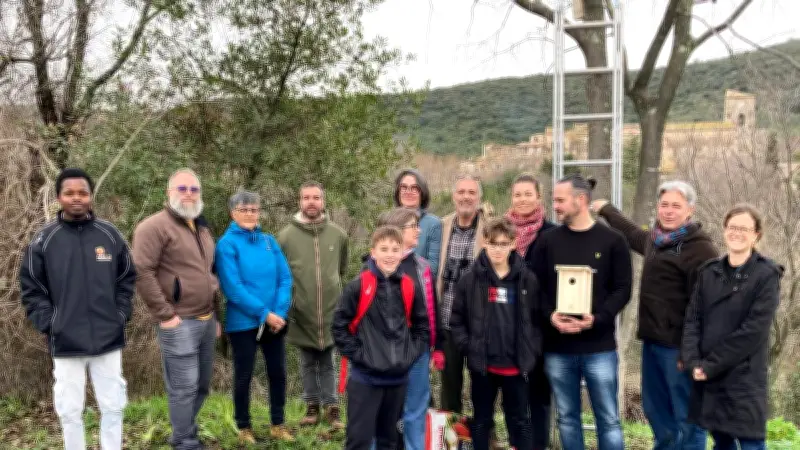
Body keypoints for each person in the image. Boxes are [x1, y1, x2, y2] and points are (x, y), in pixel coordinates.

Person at [592, 180, 718, 450]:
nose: (669, 211)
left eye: (676, 206)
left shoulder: (700, 249)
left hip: (680, 349)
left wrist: (691, 351)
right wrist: (606, 209)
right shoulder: (657, 240)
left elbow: (707, 305)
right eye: (664, 205)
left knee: (687, 417)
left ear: (690, 211)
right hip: (652, 343)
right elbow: (632, 233)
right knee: (657, 412)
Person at [19, 168, 136, 450]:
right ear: (59, 197)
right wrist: (51, 323)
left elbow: (126, 279)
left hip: (108, 339)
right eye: (69, 193)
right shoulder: (44, 240)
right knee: (70, 411)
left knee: (113, 406)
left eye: (82, 193)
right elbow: (31, 288)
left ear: (91, 197)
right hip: (66, 340)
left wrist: (120, 315)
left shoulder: (110, 236)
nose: (76, 198)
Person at [527, 174, 632, 450]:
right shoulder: (547, 241)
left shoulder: (613, 240)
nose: (556, 206)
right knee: (567, 419)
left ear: (581, 200)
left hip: (599, 348)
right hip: (558, 348)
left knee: (608, 419)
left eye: (560, 200)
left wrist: (597, 320)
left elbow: (623, 289)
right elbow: (534, 289)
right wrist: (550, 316)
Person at [132, 168, 221, 450]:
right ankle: (184, 441)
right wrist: (166, 316)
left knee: (202, 385)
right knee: (183, 387)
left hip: (206, 320)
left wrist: (215, 316)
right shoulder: (153, 227)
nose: (188, 194)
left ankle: (184, 430)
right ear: (168, 193)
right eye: (182, 189)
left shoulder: (201, 228)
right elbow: (142, 272)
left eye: (194, 190)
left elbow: (209, 274)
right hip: (179, 322)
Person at [682, 204, 782, 450]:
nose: (737, 233)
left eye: (744, 229)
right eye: (732, 227)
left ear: (756, 234)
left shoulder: (766, 274)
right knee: (721, 442)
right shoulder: (708, 272)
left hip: (743, 378)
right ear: (724, 230)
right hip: (707, 377)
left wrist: (710, 365)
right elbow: (693, 320)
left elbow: (753, 331)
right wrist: (693, 362)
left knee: (751, 443)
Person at [333, 225, 430, 450]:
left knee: (390, 441)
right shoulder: (358, 285)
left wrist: (409, 356)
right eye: (383, 249)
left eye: (395, 249)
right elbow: (339, 327)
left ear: (401, 252)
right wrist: (361, 356)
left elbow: (422, 326)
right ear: (373, 252)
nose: (389, 254)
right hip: (365, 379)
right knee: (359, 440)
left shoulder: (409, 286)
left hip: (397, 380)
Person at [450, 217, 541, 450]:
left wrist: (531, 350)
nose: (498, 249)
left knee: (519, 421)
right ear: (484, 243)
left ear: (513, 243)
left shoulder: (527, 279)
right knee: (481, 421)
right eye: (493, 243)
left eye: (503, 243)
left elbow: (538, 320)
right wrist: (469, 347)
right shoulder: (470, 279)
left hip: (516, 365)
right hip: (483, 366)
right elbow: (457, 319)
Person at [215, 191, 294, 444]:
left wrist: (278, 313)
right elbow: (233, 287)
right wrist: (263, 313)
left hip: (274, 321)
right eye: (244, 209)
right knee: (244, 374)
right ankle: (244, 427)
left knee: (278, 373)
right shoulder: (226, 245)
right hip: (244, 322)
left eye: (254, 209)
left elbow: (285, 278)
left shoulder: (269, 242)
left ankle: (278, 424)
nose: (250, 213)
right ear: (232, 213)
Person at [277, 181, 348, 429]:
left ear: (323, 201)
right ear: (299, 201)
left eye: (316, 197)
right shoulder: (285, 237)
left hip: (330, 310)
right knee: (307, 362)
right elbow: (280, 275)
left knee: (329, 361)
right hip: (301, 312)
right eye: (306, 197)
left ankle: (332, 407)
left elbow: (341, 269)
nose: (311, 202)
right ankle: (311, 407)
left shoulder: (338, 234)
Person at [376, 208, 445, 450]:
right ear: (395, 230)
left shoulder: (422, 265)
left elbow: (432, 308)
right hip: (386, 355)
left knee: (416, 411)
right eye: (412, 225)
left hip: (418, 352)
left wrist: (437, 346)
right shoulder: (375, 267)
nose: (418, 230)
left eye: (418, 224)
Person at [506, 173, 555, 450]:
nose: (522, 199)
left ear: (538, 197)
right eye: (517, 194)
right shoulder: (501, 233)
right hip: (506, 329)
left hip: (539, 330)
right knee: (513, 397)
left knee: (538, 396)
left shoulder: (551, 233)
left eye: (528, 194)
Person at [437, 174, 488, 414]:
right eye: (461, 192)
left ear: (479, 198)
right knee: (449, 386)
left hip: (480, 324)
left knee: (483, 384)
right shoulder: (442, 225)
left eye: (471, 192)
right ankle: (450, 437)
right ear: (453, 196)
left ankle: (484, 436)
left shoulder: (490, 227)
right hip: (447, 320)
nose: (466, 197)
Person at [393, 168, 442, 277]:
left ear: (422, 193)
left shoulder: (433, 224)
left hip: (418, 287)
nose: (408, 192)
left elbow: (432, 268)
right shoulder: (389, 221)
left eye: (414, 188)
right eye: (404, 187)